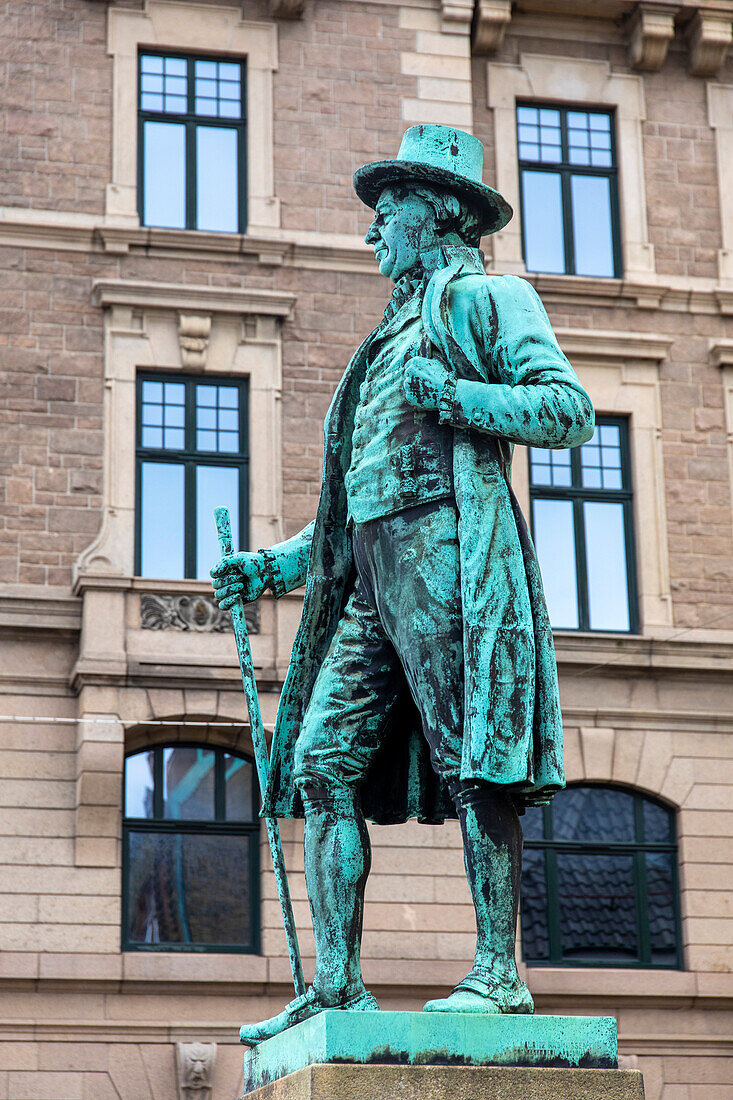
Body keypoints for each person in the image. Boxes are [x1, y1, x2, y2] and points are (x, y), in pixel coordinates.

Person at [211, 125, 595, 1044]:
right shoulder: (384, 335)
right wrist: (276, 566)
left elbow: (566, 409)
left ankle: (499, 977)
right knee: (317, 765)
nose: (372, 234)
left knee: (476, 766)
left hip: (453, 559)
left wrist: (459, 396)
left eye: (387, 216)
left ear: (440, 214)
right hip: (373, 585)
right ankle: (338, 984)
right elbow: (359, 495)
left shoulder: (490, 297)